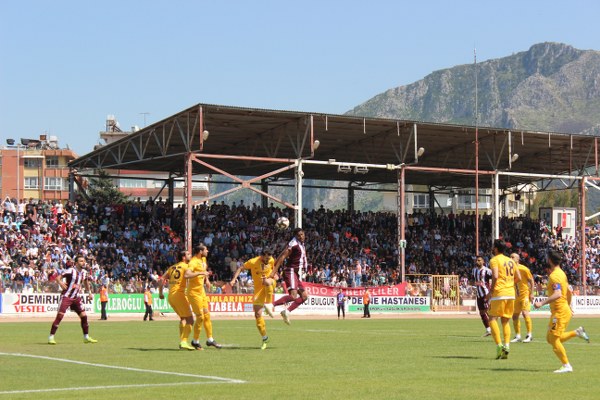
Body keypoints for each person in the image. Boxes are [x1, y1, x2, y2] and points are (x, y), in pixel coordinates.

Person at [534, 249, 590, 373]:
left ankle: (566, 365)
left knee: (554, 339)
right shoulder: (561, 273)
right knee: (550, 338)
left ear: (550, 260)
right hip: (560, 310)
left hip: (560, 312)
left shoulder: (555, 276)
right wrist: (569, 305)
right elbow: (568, 292)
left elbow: (558, 294)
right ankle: (577, 332)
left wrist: (541, 303)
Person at [230, 247, 276, 349]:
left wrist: (275, 275)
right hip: (258, 290)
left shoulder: (271, 260)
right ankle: (265, 338)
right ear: (262, 256)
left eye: (269, 259)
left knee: (267, 282)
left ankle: (268, 305)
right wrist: (233, 279)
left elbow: (274, 268)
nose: (268, 260)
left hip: (270, 283)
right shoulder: (253, 262)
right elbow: (240, 268)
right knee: (257, 314)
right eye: (266, 258)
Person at [158, 249, 204, 350]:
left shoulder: (172, 267)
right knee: (190, 320)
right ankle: (184, 341)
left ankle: (182, 341)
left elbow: (161, 279)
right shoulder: (186, 266)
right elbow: (188, 275)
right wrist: (200, 273)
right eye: (188, 254)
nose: (190, 255)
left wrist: (161, 293)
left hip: (171, 296)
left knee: (183, 318)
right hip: (179, 295)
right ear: (183, 257)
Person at [48, 254, 97, 345]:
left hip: (76, 298)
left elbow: (86, 282)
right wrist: (61, 283)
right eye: (81, 261)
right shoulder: (71, 270)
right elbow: (58, 277)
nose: (83, 262)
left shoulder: (84, 272)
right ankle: (51, 337)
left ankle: (86, 337)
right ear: (76, 263)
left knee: (84, 316)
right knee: (60, 316)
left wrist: (89, 292)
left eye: (84, 261)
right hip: (66, 296)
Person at [486, 239, 521, 359]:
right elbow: (519, 278)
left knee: (492, 319)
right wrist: (510, 283)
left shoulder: (494, 260)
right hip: (510, 293)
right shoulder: (511, 261)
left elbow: (495, 275)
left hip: (499, 293)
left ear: (495, 248)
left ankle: (499, 345)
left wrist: (491, 291)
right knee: (505, 321)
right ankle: (507, 346)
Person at [186, 244, 222, 350]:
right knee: (200, 317)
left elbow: (204, 271)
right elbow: (187, 275)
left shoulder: (203, 259)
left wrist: (207, 280)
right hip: (193, 293)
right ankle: (195, 341)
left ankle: (210, 339)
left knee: (207, 315)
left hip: (201, 291)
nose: (208, 251)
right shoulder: (193, 262)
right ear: (200, 251)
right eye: (206, 250)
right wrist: (200, 272)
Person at [272, 227, 308, 325]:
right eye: (299, 235)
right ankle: (271, 305)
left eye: (302, 234)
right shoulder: (294, 244)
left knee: (304, 296)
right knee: (293, 296)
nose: (301, 236)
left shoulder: (301, 244)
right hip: (290, 271)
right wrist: (273, 271)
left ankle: (286, 312)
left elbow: (282, 253)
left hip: (296, 273)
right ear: (296, 236)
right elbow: (283, 257)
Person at [510, 253, 534, 343]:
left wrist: (531, 293)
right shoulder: (509, 269)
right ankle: (518, 336)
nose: (511, 258)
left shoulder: (523, 269)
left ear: (517, 259)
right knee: (515, 315)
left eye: (513, 257)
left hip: (525, 295)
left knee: (525, 313)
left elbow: (531, 280)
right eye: (510, 257)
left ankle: (529, 335)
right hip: (515, 296)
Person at [472, 255, 492, 336]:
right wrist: (474, 286)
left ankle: (494, 328)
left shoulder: (487, 271)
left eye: (479, 260)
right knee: (482, 312)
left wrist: (491, 291)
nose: (478, 262)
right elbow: (473, 280)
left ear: (483, 261)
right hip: (478, 294)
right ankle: (488, 330)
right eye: (477, 260)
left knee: (488, 311)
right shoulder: (474, 270)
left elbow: (493, 279)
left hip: (485, 294)